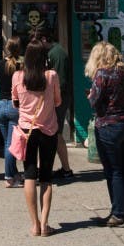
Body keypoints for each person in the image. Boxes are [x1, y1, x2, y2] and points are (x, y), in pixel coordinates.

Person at [85, 41, 124, 227]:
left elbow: (94, 101)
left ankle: (118, 214)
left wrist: (90, 95)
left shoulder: (102, 73)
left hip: (109, 125)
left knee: (114, 171)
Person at [11, 39, 62, 236]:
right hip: (49, 131)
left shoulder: (17, 76)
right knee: (46, 177)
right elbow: (58, 102)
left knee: (29, 175)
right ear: (44, 57)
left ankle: (34, 224)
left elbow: (15, 102)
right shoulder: (51, 76)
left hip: (27, 132)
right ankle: (45, 225)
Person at [41, 32, 74, 179]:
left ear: (44, 39)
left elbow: (60, 81)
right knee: (55, 133)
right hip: (58, 98)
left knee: (56, 133)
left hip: (59, 99)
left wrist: (53, 100)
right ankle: (65, 169)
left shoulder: (57, 53)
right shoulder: (53, 52)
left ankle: (64, 170)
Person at [0, 35, 24, 188]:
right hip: (14, 107)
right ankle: (8, 177)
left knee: (9, 143)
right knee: (11, 145)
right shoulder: (20, 66)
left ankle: (14, 174)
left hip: (0, 106)